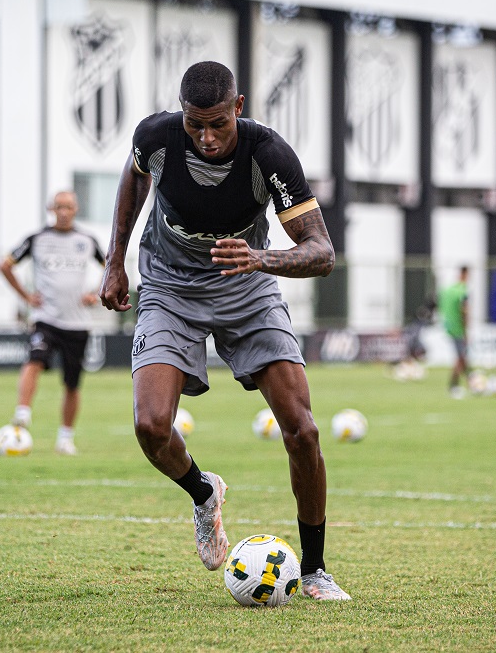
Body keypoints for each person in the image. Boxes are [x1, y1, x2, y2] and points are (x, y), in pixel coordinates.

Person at [98, 61, 350, 600]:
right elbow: (133, 178)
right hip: (169, 286)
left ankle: (315, 570)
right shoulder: (156, 136)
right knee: (150, 426)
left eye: (218, 124)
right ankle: (203, 492)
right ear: (182, 115)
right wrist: (115, 260)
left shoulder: (269, 154)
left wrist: (261, 258)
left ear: (237, 108)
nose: (207, 138)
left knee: (302, 430)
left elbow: (321, 251)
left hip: (247, 285)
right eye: (196, 126)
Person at [0, 190, 105, 455]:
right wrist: (25, 296)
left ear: (76, 209)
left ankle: (65, 438)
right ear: (51, 209)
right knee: (34, 360)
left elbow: (111, 266)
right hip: (46, 319)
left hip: (77, 324)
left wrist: (97, 293)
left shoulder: (87, 240)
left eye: (68, 207)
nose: (64, 211)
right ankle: (23, 413)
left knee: (72, 384)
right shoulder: (37, 240)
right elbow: (4, 265)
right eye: (59, 207)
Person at [439, 265, 470, 399]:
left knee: (462, 356)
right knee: (460, 357)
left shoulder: (448, 290)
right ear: (465, 274)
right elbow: (464, 311)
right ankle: (453, 385)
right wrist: (465, 330)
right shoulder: (462, 291)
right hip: (458, 328)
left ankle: (470, 380)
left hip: (449, 326)